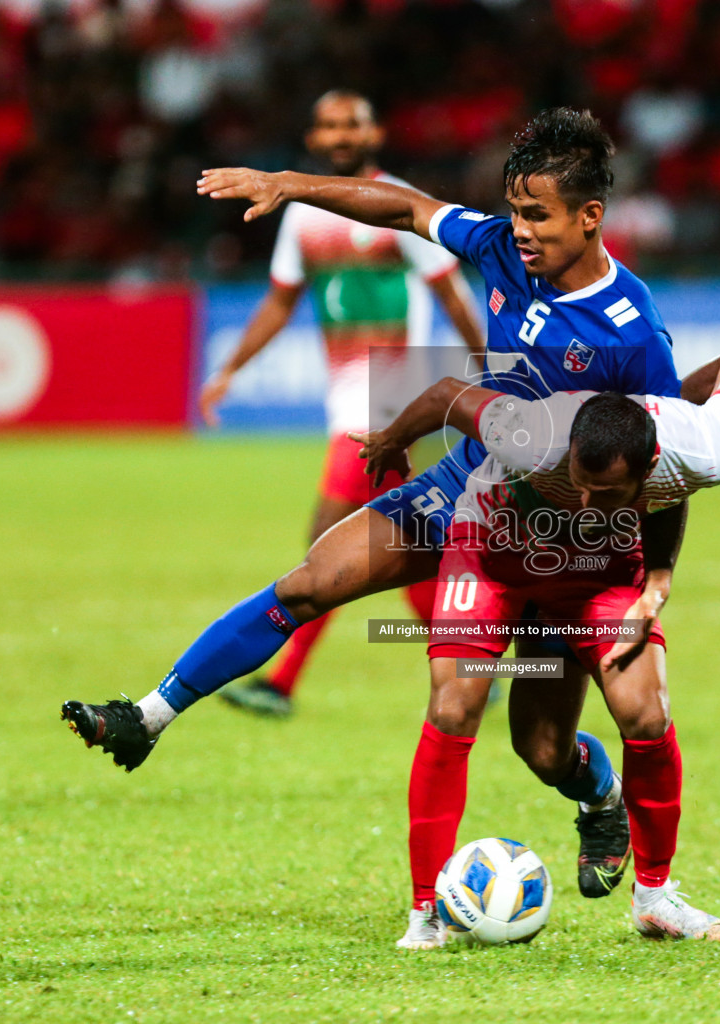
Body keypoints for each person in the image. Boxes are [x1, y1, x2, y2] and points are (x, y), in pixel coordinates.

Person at [61, 108, 698, 906]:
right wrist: (288, 186)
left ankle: (599, 798)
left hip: (563, 546)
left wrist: (656, 576)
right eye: (515, 212)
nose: (521, 231)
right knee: (309, 579)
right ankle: (147, 717)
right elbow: (404, 208)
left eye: (538, 216)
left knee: (541, 749)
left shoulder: (632, 332)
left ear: (590, 216)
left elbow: (670, 467)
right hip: (465, 488)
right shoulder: (501, 245)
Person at [348, 346, 720, 947]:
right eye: (580, 483)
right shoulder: (530, 433)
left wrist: (660, 577)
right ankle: (425, 917)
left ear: (649, 465)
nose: (587, 503)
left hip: (599, 574)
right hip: (490, 555)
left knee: (641, 715)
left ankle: (656, 899)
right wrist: (389, 439)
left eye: (607, 491)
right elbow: (445, 397)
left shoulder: (707, 448)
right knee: (453, 708)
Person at [200, 91, 486, 719]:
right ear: (313, 139)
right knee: (402, 540)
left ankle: (281, 684)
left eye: (350, 125)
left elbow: (454, 293)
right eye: (328, 125)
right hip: (346, 394)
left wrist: (493, 369)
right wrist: (229, 370)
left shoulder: (398, 205)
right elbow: (280, 302)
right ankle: (475, 658)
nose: (338, 136)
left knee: (329, 540)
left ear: (373, 132)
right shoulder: (301, 212)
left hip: (391, 390)